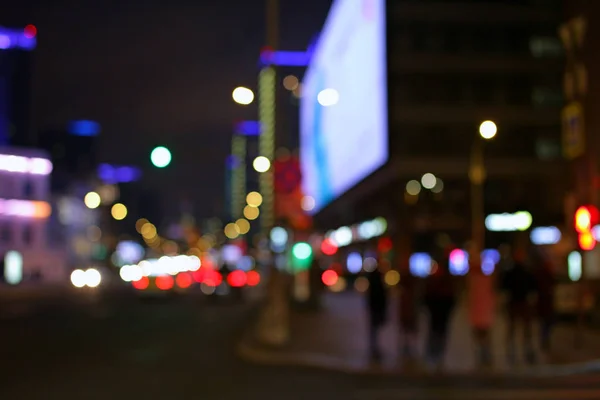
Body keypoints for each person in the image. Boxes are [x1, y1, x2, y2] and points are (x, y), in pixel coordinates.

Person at [501, 246, 537, 364]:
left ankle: (527, 350)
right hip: (514, 302)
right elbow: (504, 287)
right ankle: (512, 351)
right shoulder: (512, 272)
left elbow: (532, 287)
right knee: (513, 329)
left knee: (526, 329)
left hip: (523, 303)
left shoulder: (526, 271)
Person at [424, 250, 456, 371]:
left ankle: (436, 356)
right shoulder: (436, 280)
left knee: (438, 334)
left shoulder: (442, 280)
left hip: (440, 312)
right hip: (438, 312)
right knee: (437, 334)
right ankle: (434, 356)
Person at [466, 246, 496, 367]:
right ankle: (483, 355)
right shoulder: (480, 280)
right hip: (480, 312)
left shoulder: (478, 280)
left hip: (481, 312)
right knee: (482, 335)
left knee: (482, 335)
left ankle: (484, 355)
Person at [533, 247, 556, 357]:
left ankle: (545, 340)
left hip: (547, 304)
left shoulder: (547, 274)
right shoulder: (542, 274)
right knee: (545, 324)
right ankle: (544, 340)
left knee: (547, 324)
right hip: (544, 303)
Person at [366, 262, 388, 361]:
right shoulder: (378, 283)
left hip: (375, 308)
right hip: (377, 308)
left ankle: (374, 348)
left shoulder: (373, 282)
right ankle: (374, 349)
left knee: (374, 330)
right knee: (375, 330)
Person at [398, 272, 419, 361]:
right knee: (407, 332)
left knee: (407, 332)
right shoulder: (408, 295)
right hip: (408, 316)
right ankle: (407, 348)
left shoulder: (406, 295)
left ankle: (407, 348)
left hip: (408, 316)